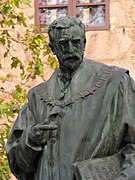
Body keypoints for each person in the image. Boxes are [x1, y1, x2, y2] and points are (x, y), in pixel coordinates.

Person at [6, 16, 135, 180]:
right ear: (52, 48)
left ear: (84, 43)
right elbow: (18, 165)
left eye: (76, 42)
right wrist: (31, 140)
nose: (70, 49)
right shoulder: (37, 98)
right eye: (63, 44)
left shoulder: (116, 83)